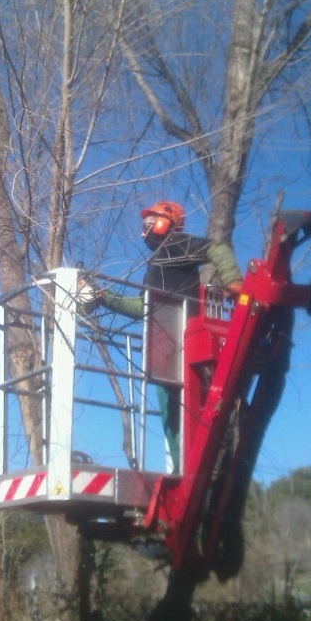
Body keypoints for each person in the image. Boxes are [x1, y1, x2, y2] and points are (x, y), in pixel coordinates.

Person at [92, 200, 243, 471]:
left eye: (150, 221)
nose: (144, 228)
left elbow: (216, 248)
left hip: (185, 342)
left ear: (166, 221)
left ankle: (193, 470)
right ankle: (184, 469)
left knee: (188, 411)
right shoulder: (157, 263)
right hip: (166, 350)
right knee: (172, 415)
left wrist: (232, 279)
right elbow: (142, 307)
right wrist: (104, 296)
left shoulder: (177, 244)